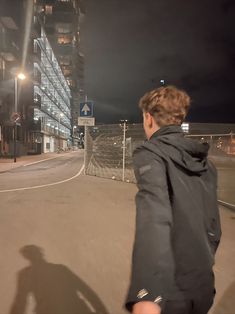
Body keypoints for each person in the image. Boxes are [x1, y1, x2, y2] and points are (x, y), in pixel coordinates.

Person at [125, 86, 221, 314]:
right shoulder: (206, 163)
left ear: (149, 118)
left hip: (168, 294)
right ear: (178, 119)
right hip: (203, 287)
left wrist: (147, 293)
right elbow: (213, 228)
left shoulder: (150, 153)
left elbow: (154, 218)